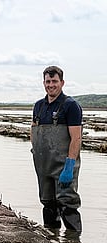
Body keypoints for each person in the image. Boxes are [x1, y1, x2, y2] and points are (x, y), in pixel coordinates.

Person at [30, 66, 83, 233]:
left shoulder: (71, 106)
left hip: (63, 165)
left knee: (67, 204)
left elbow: (76, 138)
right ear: (43, 83)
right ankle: (52, 241)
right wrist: (35, 151)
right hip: (43, 165)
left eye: (54, 81)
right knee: (48, 204)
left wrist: (69, 166)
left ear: (62, 83)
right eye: (48, 81)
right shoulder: (38, 106)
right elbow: (33, 129)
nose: (51, 85)